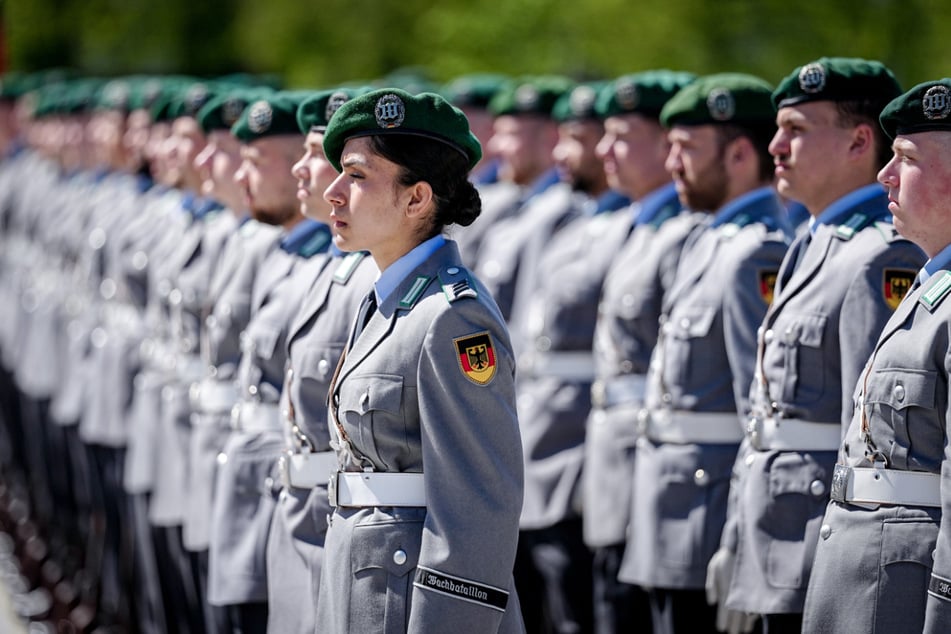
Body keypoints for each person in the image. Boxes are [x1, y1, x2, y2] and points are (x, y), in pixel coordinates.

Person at [708, 57, 925, 634]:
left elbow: (874, 438)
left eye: (797, 130)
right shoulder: (812, 241)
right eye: (779, 129)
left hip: (816, 548)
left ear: (859, 142)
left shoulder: (881, 256)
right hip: (772, 536)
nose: (775, 146)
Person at [316, 88, 524, 632]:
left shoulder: (453, 318)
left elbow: (478, 511)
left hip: (407, 603)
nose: (333, 192)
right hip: (362, 583)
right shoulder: (384, 300)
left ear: (417, 199)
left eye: (357, 177)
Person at [617, 73, 792, 634]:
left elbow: (757, 411)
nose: (672, 165)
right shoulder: (707, 239)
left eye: (687, 149)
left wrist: (743, 539)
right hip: (671, 512)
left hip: (708, 515)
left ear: (740, 153)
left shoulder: (755, 252)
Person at [801, 78, 951, 634]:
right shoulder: (927, 285)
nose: (885, 175)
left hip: (908, 595)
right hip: (863, 580)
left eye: (907, 158)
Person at [205, 90, 334, 633]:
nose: (236, 175)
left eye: (256, 162)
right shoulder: (284, 257)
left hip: (316, 510)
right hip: (267, 479)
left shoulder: (357, 274)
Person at [508, 80, 628, 634]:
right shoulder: (576, 221)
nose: (564, 153)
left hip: (580, 450)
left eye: (578, 138)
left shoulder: (632, 227)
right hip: (541, 438)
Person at [583, 70, 700, 634]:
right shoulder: (638, 225)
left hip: (653, 468)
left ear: (665, 144)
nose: (603, 150)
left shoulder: (683, 233)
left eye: (621, 136)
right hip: (614, 462)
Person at [264, 86, 378, 634]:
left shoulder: (374, 276)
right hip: (305, 515)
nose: (304, 171)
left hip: (338, 528)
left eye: (319, 156)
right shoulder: (330, 267)